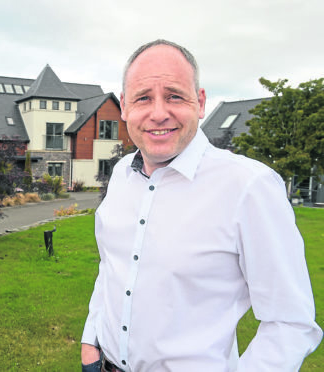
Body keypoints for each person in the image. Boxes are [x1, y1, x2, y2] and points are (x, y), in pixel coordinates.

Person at [81, 39, 322, 372]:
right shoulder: (122, 174)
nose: (158, 113)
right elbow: (111, 267)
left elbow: (290, 323)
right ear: (124, 106)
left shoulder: (249, 187)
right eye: (143, 98)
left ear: (201, 102)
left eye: (175, 96)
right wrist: (89, 341)